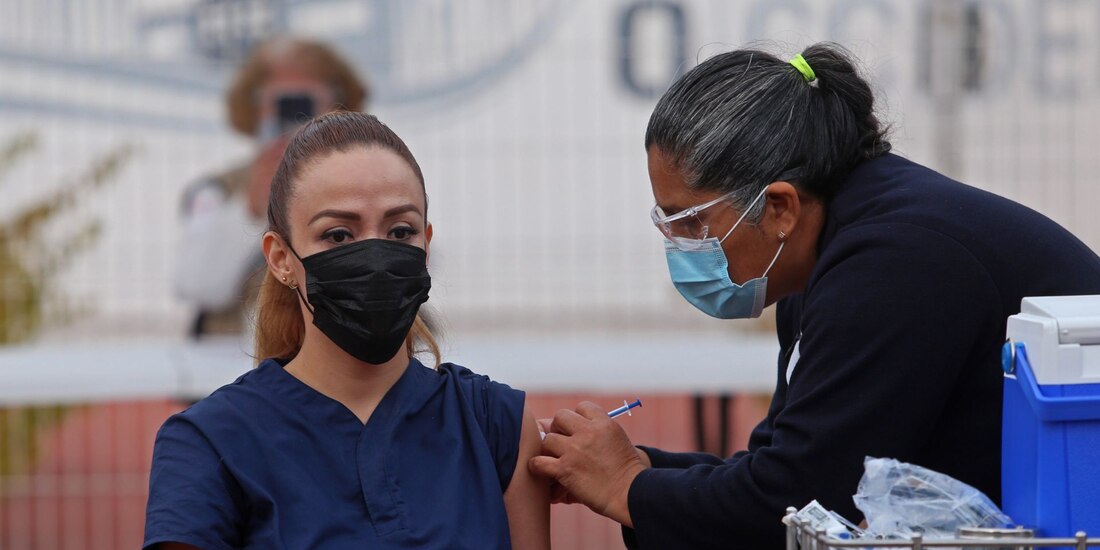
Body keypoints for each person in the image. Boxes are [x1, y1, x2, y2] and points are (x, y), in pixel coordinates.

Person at [529, 42, 1100, 549]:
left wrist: (630, 486)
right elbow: (777, 469)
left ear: (779, 207)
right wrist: (635, 469)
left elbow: (807, 502)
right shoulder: (825, 257)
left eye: (691, 222)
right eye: (666, 221)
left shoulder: (893, 264)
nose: (678, 245)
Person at [145, 112, 550, 549]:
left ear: (426, 245)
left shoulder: (496, 425)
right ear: (281, 258)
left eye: (400, 231)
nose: (375, 255)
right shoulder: (207, 444)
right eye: (338, 235)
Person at [175, 37, 368, 338]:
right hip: (231, 373)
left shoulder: (371, 182)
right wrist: (250, 206)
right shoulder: (216, 191)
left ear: (336, 105)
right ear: (255, 109)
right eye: (279, 104)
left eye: (304, 103)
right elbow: (199, 287)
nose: (293, 119)